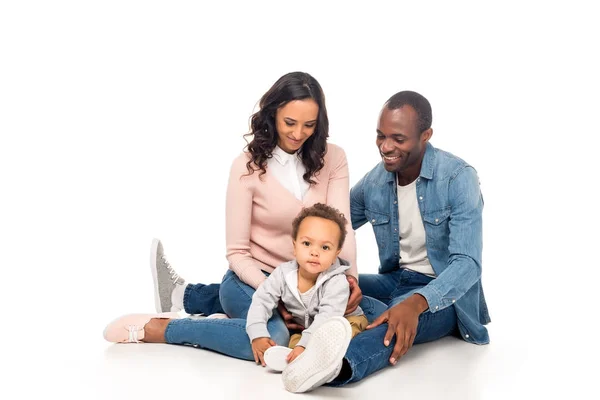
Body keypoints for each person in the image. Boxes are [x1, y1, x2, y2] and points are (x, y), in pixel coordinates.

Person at [103, 72, 386, 362]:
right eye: (290, 122)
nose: (298, 133)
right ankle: (165, 328)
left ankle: (195, 301)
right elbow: (237, 253)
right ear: (273, 114)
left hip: (315, 281)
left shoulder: (333, 158)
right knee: (275, 336)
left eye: (309, 125)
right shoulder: (246, 168)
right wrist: (277, 297)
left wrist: (349, 279)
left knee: (379, 316)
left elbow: (343, 226)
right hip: (256, 279)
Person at [279, 90, 491, 393]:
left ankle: (335, 366)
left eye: (398, 139)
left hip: (443, 296)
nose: (386, 147)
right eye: (381, 136)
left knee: (393, 320)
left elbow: (468, 264)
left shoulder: (457, 178)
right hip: (395, 280)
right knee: (325, 286)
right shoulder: (376, 181)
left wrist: (416, 304)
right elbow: (331, 228)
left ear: (426, 135)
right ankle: (197, 296)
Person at [246, 203, 368, 371]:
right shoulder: (283, 274)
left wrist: (305, 344)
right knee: (293, 346)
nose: (314, 252)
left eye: (325, 247)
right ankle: (301, 367)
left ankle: (327, 366)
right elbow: (262, 300)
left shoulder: (337, 281)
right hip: (307, 329)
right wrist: (257, 333)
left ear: (336, 253)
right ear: (294, 246)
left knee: (343, 338)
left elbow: (327, 318)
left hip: (343, 322)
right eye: (306, 244)